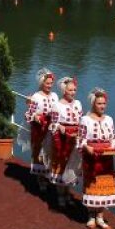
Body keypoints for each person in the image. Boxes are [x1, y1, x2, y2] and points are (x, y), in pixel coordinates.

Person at [79, 88, 115, 229]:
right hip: (91, 158)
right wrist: (87, 148)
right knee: (93, 185)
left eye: (104, 103)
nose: (102, 106)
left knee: (104, 187)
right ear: (93, 104)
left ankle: (100, 217)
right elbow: (81, 140)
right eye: (99, 103)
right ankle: (91, 216)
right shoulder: (85, 120)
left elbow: (114, 137)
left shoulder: (109, 120)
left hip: (106, 158)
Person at [48, 76, 83, 209]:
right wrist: (60, 128)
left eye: (74, 90)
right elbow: (53, 124)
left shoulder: (78, 103)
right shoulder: (57, 105)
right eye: (70, 90)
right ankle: (61, 195)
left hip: (74, 137)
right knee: (61, 165)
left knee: (72, 165)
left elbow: (81, 120)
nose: (73, 92)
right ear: (64, 91)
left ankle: (68, 192)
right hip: (62, 139)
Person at [25, 68, 58, 185]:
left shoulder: (54, 95)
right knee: (39, 152)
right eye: (47, 83)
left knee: (50, 152)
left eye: (51, 83)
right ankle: (40, 178)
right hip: (40, 129)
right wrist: (36, 117)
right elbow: (29, 114)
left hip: (51, 129)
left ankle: (47, 174)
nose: (49, 86)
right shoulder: (36, 97)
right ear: (42, 83)